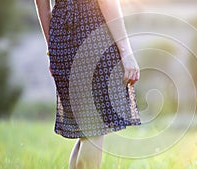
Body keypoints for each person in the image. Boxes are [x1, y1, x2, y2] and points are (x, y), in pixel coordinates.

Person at [34, 0, 141, 168]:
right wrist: (126, 52)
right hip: (93, 32)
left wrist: (53, 49)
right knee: (95, 128)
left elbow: (41, 4)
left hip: (61, 39)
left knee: (87, 131)